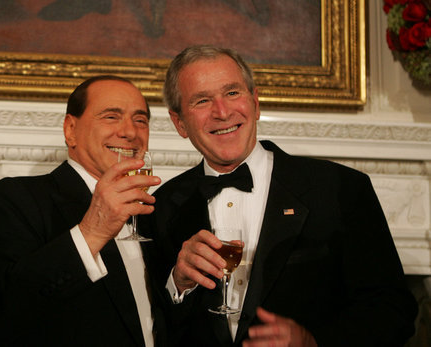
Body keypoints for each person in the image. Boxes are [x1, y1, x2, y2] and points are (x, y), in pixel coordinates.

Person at [143, 45, 418, 346]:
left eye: (233, 93)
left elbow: (394, 310)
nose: (222, 112)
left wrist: (314, 342)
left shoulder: (340, 188)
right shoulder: (162, 207)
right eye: (202, 100)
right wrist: (178, 284)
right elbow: (150, 325)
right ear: (179, 123)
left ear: (256, 103)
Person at [0, 75, 165, 346]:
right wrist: (90, 234)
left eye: (140, 120)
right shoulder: (17, 199)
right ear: (70, 130)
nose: (130, 132)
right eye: (111, 117)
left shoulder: (158, 211)